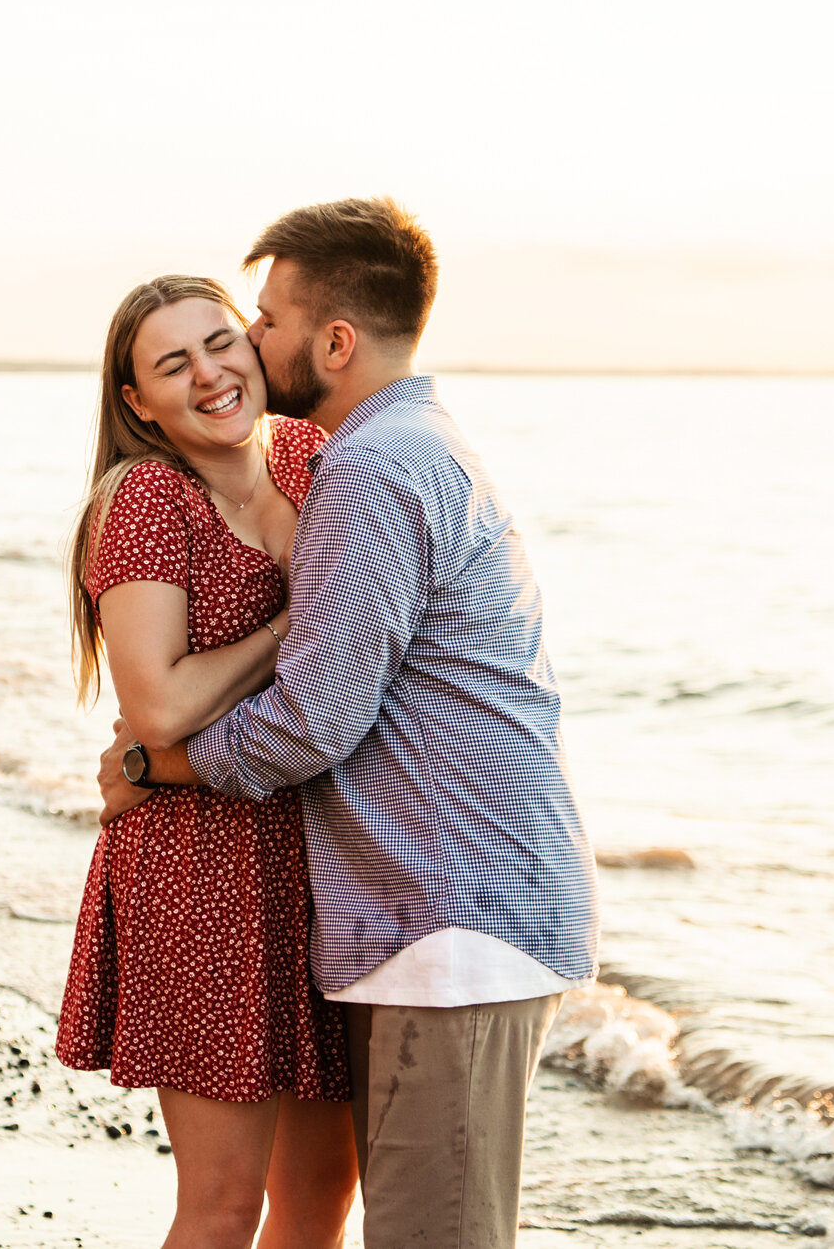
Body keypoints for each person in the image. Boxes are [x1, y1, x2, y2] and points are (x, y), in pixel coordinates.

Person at [99, 199, 601, 1249]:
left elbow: (314, 719)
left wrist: (164, 766)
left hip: (446, 911)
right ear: (135, 398)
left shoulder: (364, 470)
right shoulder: (393, 449)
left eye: (259, 322)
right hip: (427, 906)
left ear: (333, 342)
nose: (247, 344)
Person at [57, 275, 359, 1249]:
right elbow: (159, 704)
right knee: (222, 1206)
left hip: (322, 867)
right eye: (171, 363)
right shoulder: (146, 497)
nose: (210, 373)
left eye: (221, 343)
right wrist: (297, 614)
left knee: (318, 1202)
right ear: (137, 401)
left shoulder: (314, 458)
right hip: (197, 875)